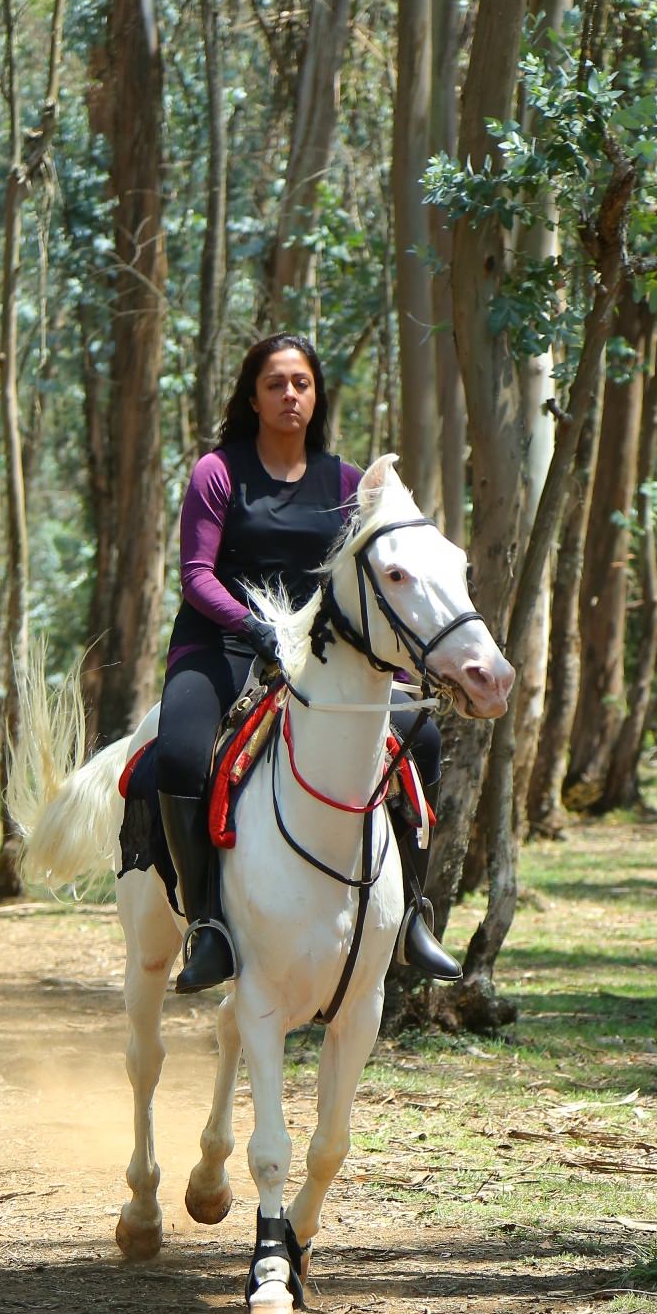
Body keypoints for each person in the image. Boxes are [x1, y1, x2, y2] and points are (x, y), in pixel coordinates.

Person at [157, 332, 459, 995]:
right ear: (253, 397)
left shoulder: (347, 482)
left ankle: (412, 913)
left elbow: (373, 577)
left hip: (326, 650)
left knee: (427, 740)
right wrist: (253, 626)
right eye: (275, 383)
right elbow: (196, 574)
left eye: (301, 382)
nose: (289, 394)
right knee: (178, 752)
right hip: (226, 641)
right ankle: (208, 927)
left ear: (316, 395)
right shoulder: (218, 472)